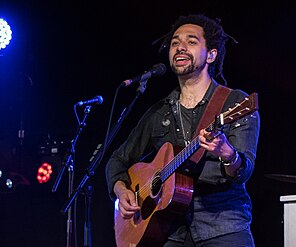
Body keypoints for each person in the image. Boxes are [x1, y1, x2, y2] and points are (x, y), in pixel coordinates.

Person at [105, 14, 260, 246]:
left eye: (191, 41)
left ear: (211, 55)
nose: (180, 47)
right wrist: (120, 190)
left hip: (223, 226)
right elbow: (117, 159)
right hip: (169, 230)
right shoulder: (159, 111)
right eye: (175, 42)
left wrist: (227, 154)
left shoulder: (234, 103)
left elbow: (244, 170)